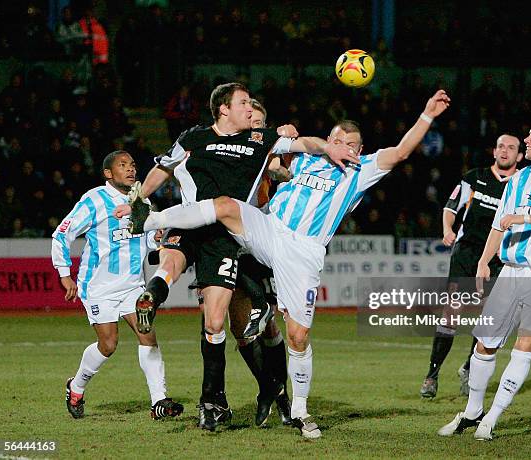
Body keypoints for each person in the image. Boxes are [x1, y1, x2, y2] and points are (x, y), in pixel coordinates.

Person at [126, 90, 452, 438]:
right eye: (338, 139)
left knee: (298, 336)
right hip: (270, 229)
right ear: (330, 141)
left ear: (358, 149)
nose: (344, 146)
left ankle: (299, 408)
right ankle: (149, 221)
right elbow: (270, 156)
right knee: (223, 205)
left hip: (304, 252)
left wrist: (428, 114)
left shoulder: (362, 169)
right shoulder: (308, 159)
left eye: (351, 143)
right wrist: (274, 132)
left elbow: (401, 151)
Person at [117, 82, 356, 432]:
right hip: (193, 221)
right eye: (244, 103)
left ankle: (219, 394)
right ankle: (218, 397)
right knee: (215, 311)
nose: (250, 108)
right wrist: (138, 197)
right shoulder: (193, 137)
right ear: (223, 109)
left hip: (226, 234)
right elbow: (162, 168)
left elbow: (304, 143)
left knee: (216, 321)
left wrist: (329, 148)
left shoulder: (259, 140)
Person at [438, 112, 531, 440]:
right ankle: (473, 411)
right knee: (485, 342)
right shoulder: (520, 178)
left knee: (525, 344)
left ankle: (492, 418)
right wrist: (483, 261)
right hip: (511, 271)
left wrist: (526, 216)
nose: (528, 140)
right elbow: (499, 223)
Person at [51, 150, 183, 420]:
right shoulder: (94, 199)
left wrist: (154, 237)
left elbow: (146, 242)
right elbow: (62, 234)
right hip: (99, 287)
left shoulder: (142, 200)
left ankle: (159, 401)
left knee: (148, 335)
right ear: (108, 174)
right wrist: (64, 273)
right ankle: (76, 386)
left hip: (133, 284)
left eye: (133, 165)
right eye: (123, 165)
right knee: (108, 345)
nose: (131, 169)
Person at [187, 98, 293, 426]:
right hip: (227, 239)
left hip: (257, 240)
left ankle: (282, 397)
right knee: (238, 327)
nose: (254, 128)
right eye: (251, 123)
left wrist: (289, 167)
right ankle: (268, 391)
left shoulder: (264, 151)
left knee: (269, 324)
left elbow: (280, 169)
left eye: (260, 125)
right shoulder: (227, 147)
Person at [420, 134, 523, 399]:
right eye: (501, 146)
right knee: (451, 314)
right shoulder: (474, 177)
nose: (504, 151)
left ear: (519, 156)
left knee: (490, 319)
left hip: (498, 259)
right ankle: (432, 376)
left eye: (511, 148)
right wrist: (447, 228)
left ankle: (469, 368)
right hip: (466, 255)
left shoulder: (522, 183)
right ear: (494, 151)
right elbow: (450, 206)